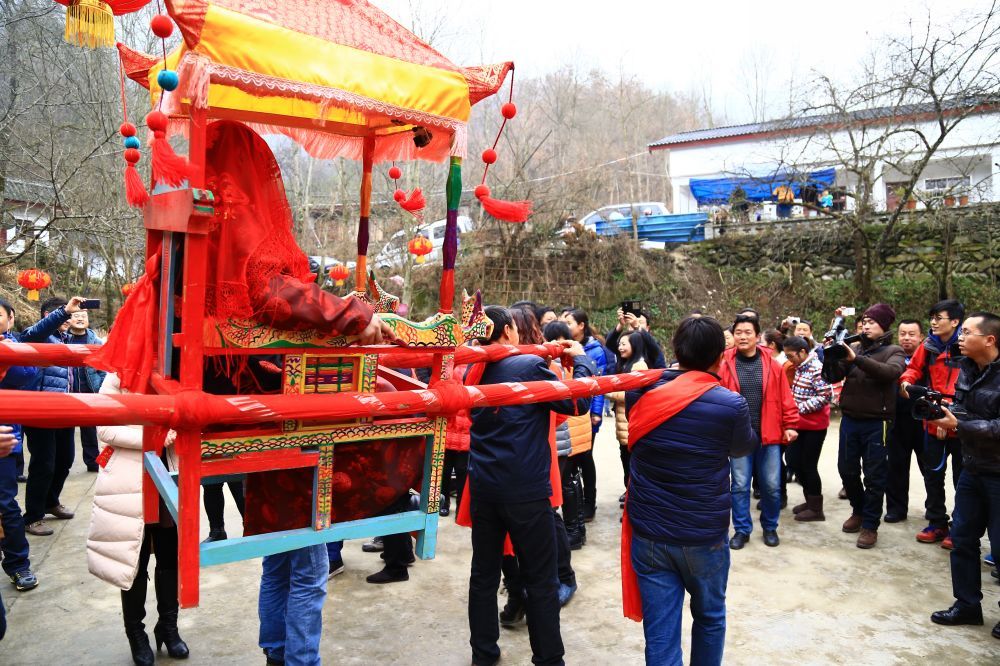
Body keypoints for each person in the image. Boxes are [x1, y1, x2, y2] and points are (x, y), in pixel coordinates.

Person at [622, 316, 755, 665]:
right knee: (710, 617)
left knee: (661, 632)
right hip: (703, 535)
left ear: (677, 350)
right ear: (719, 356)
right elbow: (743, 448)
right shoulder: (730, 405)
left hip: (650, 532)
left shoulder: (640, 390)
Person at [468, 306, 595, 666]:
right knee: (540, 578)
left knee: (483, 576)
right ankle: (549, 658)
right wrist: (581, 360)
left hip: (484, 488)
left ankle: (484, 653)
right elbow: (578, 401)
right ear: (508, 331)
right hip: (524, 490)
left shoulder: (472, 370)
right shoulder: (526, 367)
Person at [88, 372, 189, 666]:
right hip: (130, 479)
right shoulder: (116, 376)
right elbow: (105, 428)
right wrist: (152, 437)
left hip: (168, 473)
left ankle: (168, 627)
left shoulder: (173, 369)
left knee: (171, 558)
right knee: (134, 560)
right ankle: (136, 633)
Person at [928, 311, 1000, 640]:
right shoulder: (967, 368)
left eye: (966, 331)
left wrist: (959, 425)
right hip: (972, 468)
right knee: (963, 540)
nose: (960, 336)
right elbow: (961, 407)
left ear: (989, 339)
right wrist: (939, 410)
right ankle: (968, 604)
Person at [822, 304, 906, 549]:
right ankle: (858, 510)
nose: (866, 325)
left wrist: (856, 358)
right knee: (846, 469)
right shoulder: (855, 346)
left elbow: (890, 373)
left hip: (877, 422)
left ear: (884, 326)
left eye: (872, 322)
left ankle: (870, 525)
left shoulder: (895, 350)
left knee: (875, 475)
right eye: (864, 321)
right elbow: (833, 377)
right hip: (850, 419)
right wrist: (830, 356)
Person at [720, 314, 798, 549]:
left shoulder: (772, 365)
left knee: (772, 486)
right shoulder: (725, 364)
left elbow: (785, 397)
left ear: (757, 336)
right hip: (739, 437)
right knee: (740, 486)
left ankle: (770, 527)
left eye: (748, 332)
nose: (743, 337)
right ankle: (742, 530)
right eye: (739, 332)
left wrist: (791, 424)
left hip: (769, 435)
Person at [19, 295, 86, 536]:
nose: (70, 318)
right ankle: (32, 516)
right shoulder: (38, 336)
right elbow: (28, 336)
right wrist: (64, 311)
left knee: (65, 459)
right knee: (43, 464)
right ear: (50, 316)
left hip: (63, 409)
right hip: (40, 410)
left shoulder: (65, 339)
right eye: (65, 314)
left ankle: (50, 501)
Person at [900, 301, 965, 547]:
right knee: (933, 475)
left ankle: (959, 527)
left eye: (939, 317)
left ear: (955, 322)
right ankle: (937, 522)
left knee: (963, 479)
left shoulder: (966, 347)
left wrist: (947, 413)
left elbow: (967, 385)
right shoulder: (928, 346)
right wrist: (906, 383)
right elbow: (913, 370)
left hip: (960, 423)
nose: (933, 322)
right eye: (932, 318)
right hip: (931, 419)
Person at [0, 305, 40, 594]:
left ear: (10, 319)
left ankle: (17, 564)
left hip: (3, 439)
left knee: (5, 504)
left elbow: (26, 375)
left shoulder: (12, 346)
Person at [562, 308, 610, 522]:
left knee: (586, 458)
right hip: (571, 412)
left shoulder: (594, 350)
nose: (566, 325)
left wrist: (596, 412)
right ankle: (578, 505)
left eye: (569, 322)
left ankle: (589, 503)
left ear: (581, 326)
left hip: (587, 410)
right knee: (573, 461)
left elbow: (597, 384)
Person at [783, 335, 833, 521]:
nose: (789, 359)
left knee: (808, 466)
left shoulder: (816, 368)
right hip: (799, 424)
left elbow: (826, 396)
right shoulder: (799, 367)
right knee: (794, 461)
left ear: (803, 352)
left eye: (791, 356)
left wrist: (799, 408)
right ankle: (809, 500)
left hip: (814, 427)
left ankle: (816, 509)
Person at [607, 330, 663, 498]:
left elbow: (631, 394)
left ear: (636, 345)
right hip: (623, 424)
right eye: (620, 344)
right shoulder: (626, 364)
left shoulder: (639, 365)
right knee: (626, 462)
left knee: (632, 465)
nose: (620, 347)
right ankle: (630, 496)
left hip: (631, 424)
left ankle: (634, 500)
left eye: (624, 344)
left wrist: (608, 391)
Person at [885, 318, 927, 525]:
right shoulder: (891, 357)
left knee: (930, 468)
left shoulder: (929, 358)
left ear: (921, 337)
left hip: (924, 421)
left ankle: (934, 509)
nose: (907, 338)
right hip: (897, 420)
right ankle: (896, 509)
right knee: (895, 467)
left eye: (912, 334)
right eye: (903, 334)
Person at [65, 308, 105, 471]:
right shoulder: (63, 338)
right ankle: (65, 460)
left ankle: (92, 461)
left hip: (89, 389)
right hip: (68, 390)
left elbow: (104, 368)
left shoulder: (95, 341)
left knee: (89, 429)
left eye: (83, 316)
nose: (80, 319)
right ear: (69, 318)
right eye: (76, 316)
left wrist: (101, 386)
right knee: (65, 429)